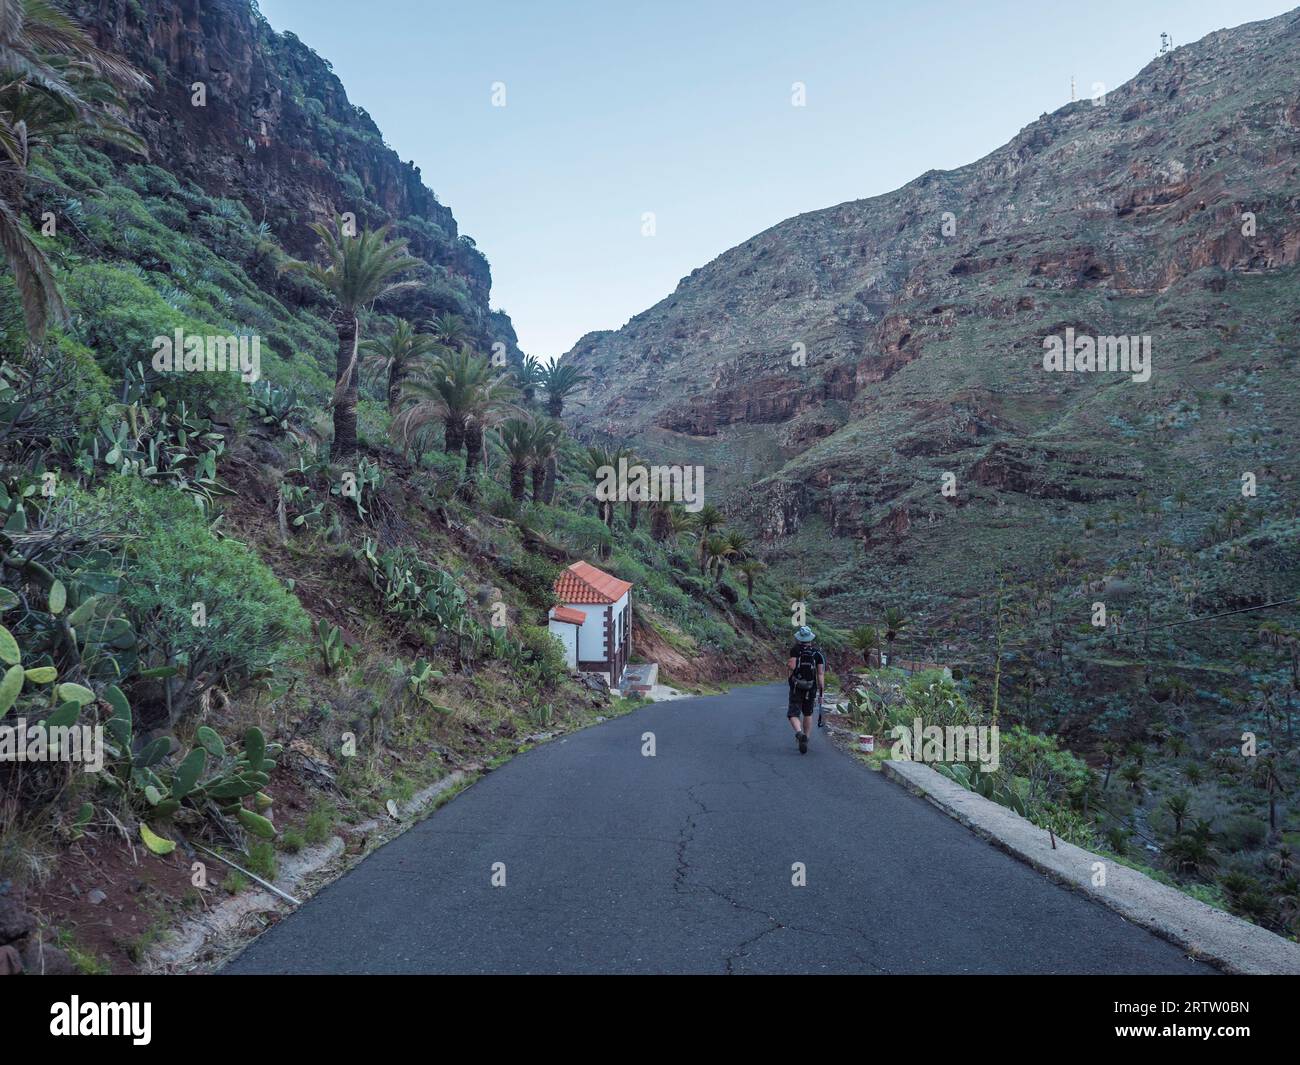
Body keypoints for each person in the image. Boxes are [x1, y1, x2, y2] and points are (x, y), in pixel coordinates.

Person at [787, 626, 826, 754]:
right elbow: (820, 674)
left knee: (793, 713)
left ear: (799, 638)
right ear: (810, 639)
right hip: (811, 687)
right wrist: (821, 691)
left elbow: (792, 667)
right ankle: (806, 738)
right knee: (808, 713)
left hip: (796, 686)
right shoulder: (817, 654)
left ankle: (799, 733)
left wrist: (790, 679)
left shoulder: (795, 650)